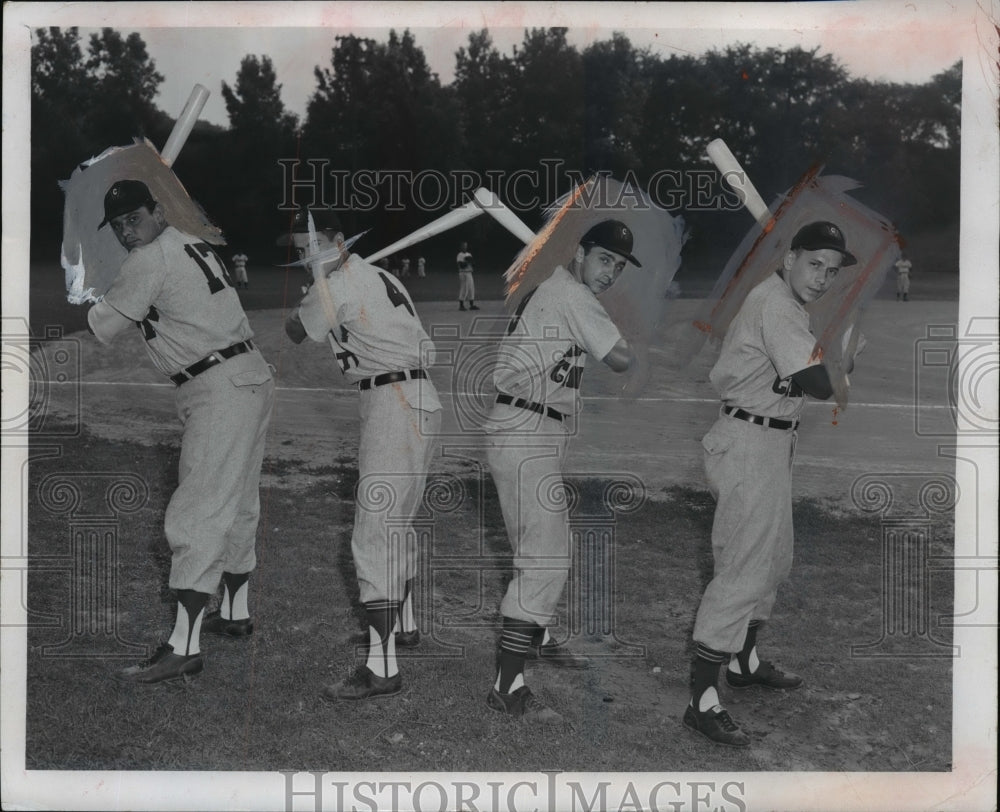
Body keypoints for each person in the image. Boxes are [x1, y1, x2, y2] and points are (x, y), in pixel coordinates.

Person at [86, 179, 275, 684]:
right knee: (237, 500)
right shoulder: (190, 242)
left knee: (199, 507)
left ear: (157, 212)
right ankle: (234, 613)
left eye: (135, 219)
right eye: (119, 225)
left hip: (216, 385)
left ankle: (183, 646)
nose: (128, 231)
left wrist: (91, 291)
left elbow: (102, 325)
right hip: (250, 374)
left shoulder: (147, 260)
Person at [684, 221, 865, 746]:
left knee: (774, 557)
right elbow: (817, 385)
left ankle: (744, 661)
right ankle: (702, 699)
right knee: (743, 566)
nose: (823, 277)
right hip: (747, 442)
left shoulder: (788, 305)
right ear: (789, 259)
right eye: (814, 264)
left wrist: (828, 361)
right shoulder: (777, 306)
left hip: (770, 441)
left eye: (831, 271)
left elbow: (804, 378)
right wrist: (843, 365)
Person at [483, 220, 641, 723]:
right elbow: (620, 358)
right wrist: (622, 329)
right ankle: (508, 684)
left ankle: (536, 633)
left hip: (530, 426)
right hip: (525, 426)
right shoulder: (571, 294)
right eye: (604, 260)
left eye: (617, 266)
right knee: (548, 552)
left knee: (536, 546)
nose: (610, 272)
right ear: (580, 254)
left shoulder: (559, 287)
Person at [283, 209, 442, 701]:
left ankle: (381, 668)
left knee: (375, 527)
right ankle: (405, 627)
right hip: (418, 399)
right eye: (299, 250)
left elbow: (295, 332)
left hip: (393, 401)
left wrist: (312, 293)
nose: (304, 256)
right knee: (397, 521)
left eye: (311, 246)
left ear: (338, 241)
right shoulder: (377, 274)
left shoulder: (336, 287)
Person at [456, 241, 479, 311]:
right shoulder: (459, 255)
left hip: (469, 273)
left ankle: (471, 305)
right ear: (461, 247)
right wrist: (467, 261)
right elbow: (461, 266)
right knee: (464, 288)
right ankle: (461, 305)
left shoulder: (469, 254)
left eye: (466, 246)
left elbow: (474, 264)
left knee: (471, 288)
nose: (465, 247)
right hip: (463, 273)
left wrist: (471, 261)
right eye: (463, 246)